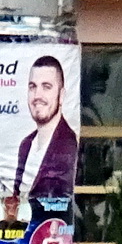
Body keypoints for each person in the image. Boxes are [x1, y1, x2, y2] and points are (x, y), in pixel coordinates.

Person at [14, 55, 77, 199]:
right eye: (32, 87)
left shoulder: (69, 145)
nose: (37, 95)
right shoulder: (26, 144)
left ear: (61, 96)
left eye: (46, 87)